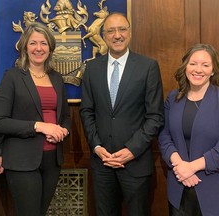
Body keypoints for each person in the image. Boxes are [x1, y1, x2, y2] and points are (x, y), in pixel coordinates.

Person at [80, 12, 164, 216]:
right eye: (110, 31)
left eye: (122, 29)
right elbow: (87, 111)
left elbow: (155, 116)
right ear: (104, 35)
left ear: (130, 32)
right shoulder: (92, 69)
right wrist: (97, 147)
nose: (117, 35)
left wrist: (131, 150)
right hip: (102, 163)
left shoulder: (148, 67)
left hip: (135, 163)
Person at [0, 22, 71, 216]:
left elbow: (66, 117)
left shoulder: (56, 78)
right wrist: (40, 126)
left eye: (43, 43)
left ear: (50, 47)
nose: (38, 48)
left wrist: (63, 131)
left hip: (52, 160)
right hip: (22, 160)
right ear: (25, 47)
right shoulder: (13, 77)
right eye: (33, 43)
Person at [158, 43, 219, 216]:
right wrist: (180, 165)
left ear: (213, 70)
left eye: (205, 65)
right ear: (186, 66)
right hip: (178, 188)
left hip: (213, 189)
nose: (198, 69)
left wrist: (191, 167)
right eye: (193, 63)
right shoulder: (173, 97)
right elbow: (164, 136)